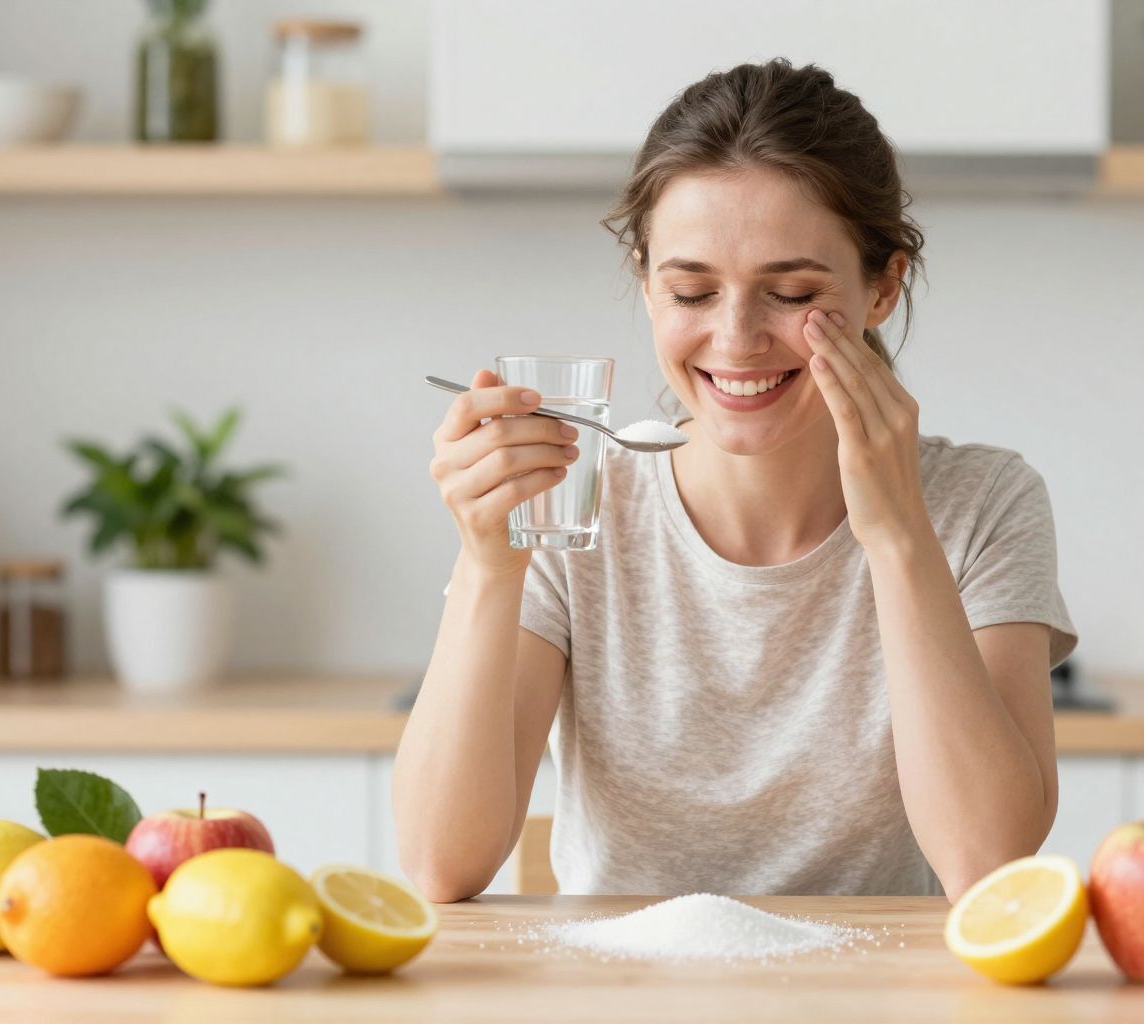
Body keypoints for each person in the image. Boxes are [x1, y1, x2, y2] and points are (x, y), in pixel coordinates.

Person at [394, 59, 1077, 903]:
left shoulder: (983, 503)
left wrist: (899, 535)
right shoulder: (576, 500)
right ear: (645, 282)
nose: (737, 338)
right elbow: (438, 863)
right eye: (691, 290)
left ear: (883, 287)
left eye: (790, 292)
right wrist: (486, 565)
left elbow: (989, 865)